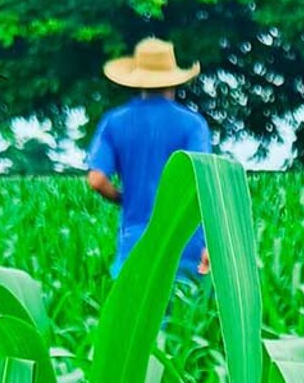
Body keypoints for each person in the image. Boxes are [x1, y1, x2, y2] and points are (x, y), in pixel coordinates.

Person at [86, 37, 211, 279]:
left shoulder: (114, 122)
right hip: (186, 243)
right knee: (184, 316)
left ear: (137, 80)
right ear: (174, 80)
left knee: (135, 314)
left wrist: (124, 197)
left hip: (135, 243)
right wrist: (209, 243)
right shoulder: (194, 125)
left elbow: (97, 180)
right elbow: (202, 184)